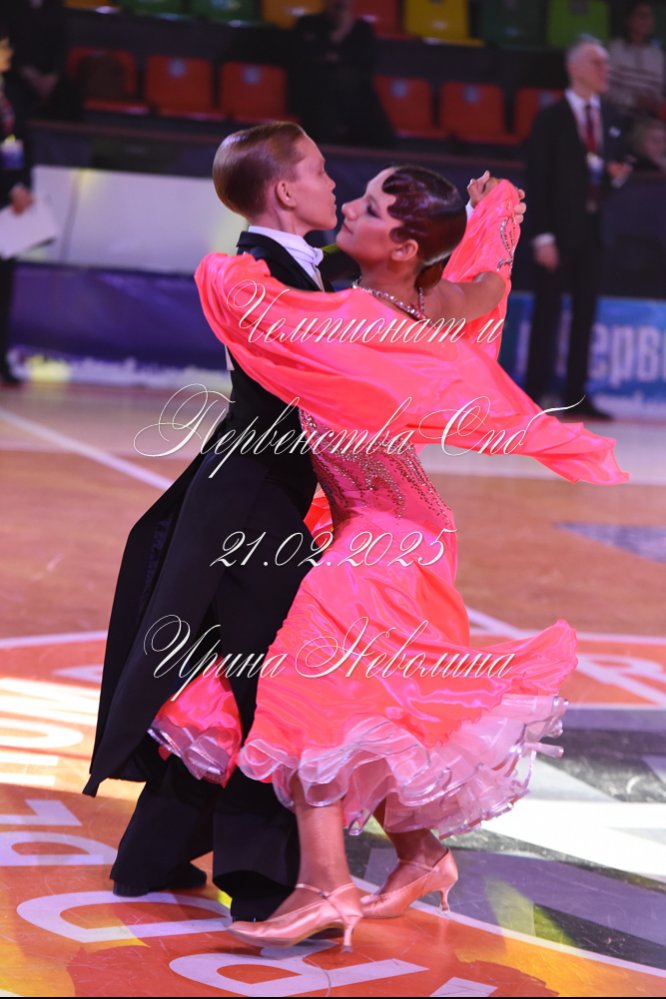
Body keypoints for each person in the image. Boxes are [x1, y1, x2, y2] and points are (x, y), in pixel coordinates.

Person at [149, 165, 628, 950]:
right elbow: (486, 280)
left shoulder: (355, 319)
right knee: (373, 699)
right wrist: (496, 212)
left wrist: (222, 266)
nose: (350, 205)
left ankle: (326, 882)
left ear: (403, 246)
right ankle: (422, 854)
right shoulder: (431, 301)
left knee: (305, 684)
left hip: (388, 537)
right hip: (398, 526)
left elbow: (251, 308)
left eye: (370, 206)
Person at [83, 122, 339, 920]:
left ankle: (151, 854)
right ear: (286, 190)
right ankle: (263, 884)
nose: (333, 183)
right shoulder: (251, 272)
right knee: (273, 681)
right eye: (320, 171)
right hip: (250, 500)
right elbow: (318, 378)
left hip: (258, 490)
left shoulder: (299, 266)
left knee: (236, 669)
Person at [523, 36, 632, 421]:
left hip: (595, 230)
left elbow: (610, 171)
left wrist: (616, 176)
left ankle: (576, 395)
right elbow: (537, 180)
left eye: (606, 63)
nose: (605, 69)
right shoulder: (550, 119)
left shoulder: (612, 119)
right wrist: (542, 236)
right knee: (547, 312)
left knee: (586, 315)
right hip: (557, 231)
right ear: (573, 68)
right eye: (596, 62)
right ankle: (533, 393)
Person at [289, 0, 395, 148]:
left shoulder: (362, 29)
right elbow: (303, 60)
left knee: (353, 84)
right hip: (315, 95)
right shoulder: (307, 24)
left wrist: (331, 56)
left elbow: (366, 65)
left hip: (354, 99)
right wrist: (340, 34)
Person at [0, 24, 33, 387]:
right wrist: (10, 186)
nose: (7, 53)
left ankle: (1, 360)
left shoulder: (11, 93)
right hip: (4, 193)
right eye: (2, 47)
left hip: (9, 208)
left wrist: (22, 187)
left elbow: (18, 143)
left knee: (4, 286)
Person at [607, 1, 665, 122]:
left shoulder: (657, 56)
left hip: (649, 121)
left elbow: (659, 91)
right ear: (628, 20)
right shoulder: (615, 49)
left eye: (649, 16)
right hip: (617, 118)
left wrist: (654, 103)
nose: (647, 21)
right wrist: (634, 101)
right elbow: (605, 90)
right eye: (642, 16)